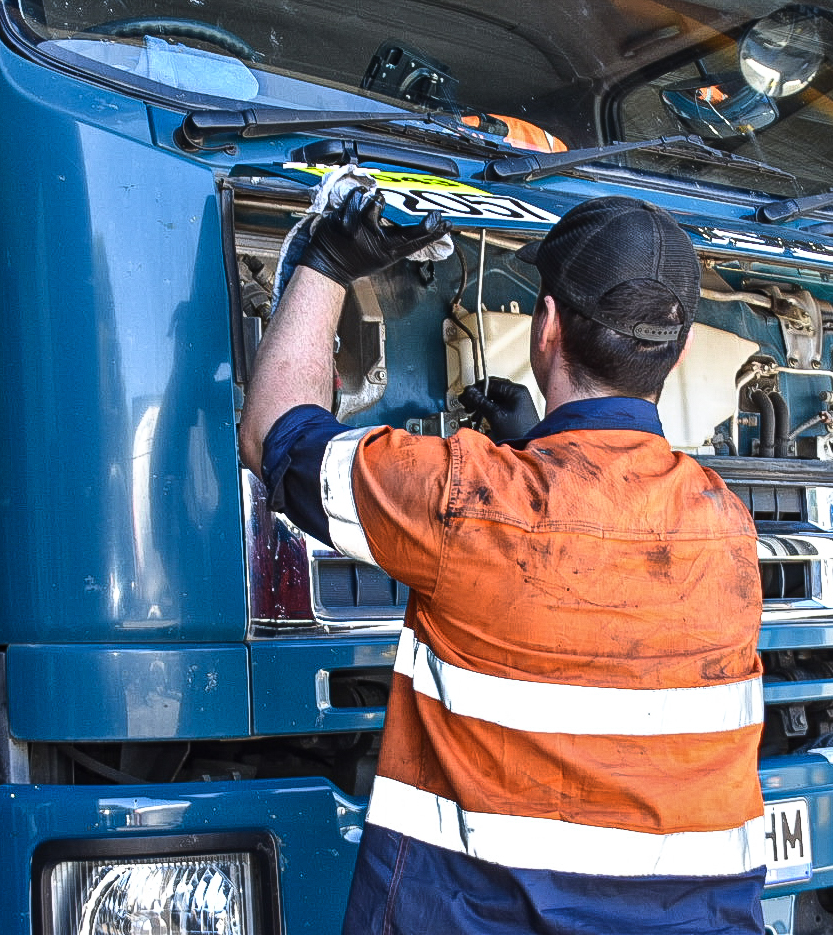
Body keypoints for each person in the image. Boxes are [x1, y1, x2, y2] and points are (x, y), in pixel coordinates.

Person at [239, 191, 766, 934]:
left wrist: (328, 263)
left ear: (545, 328)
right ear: (675, 353)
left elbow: (274, 433)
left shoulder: (464, 498)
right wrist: (537, 450)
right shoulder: (729, 527)